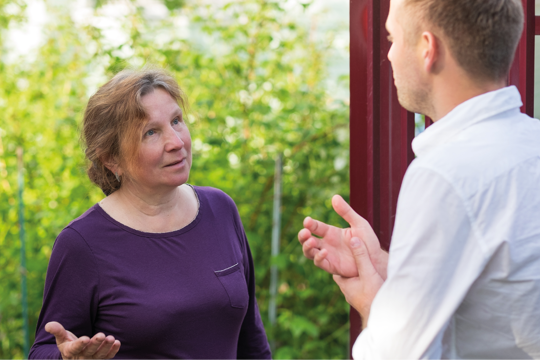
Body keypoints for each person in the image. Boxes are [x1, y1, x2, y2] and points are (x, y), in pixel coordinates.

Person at [299, 0, 540, 358]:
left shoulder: (445, 173)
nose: (390, 55)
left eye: (393, 38)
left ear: (428, 49)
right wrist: (386, 264)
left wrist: (373, 302)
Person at [29, 68, 272, 360]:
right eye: (151, 132)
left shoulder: (221, 210)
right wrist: (68, 358)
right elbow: (43, 351)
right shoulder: (83, 243)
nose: (176, 142)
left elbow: (252, 339)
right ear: (111, 158)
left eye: (176, 121)